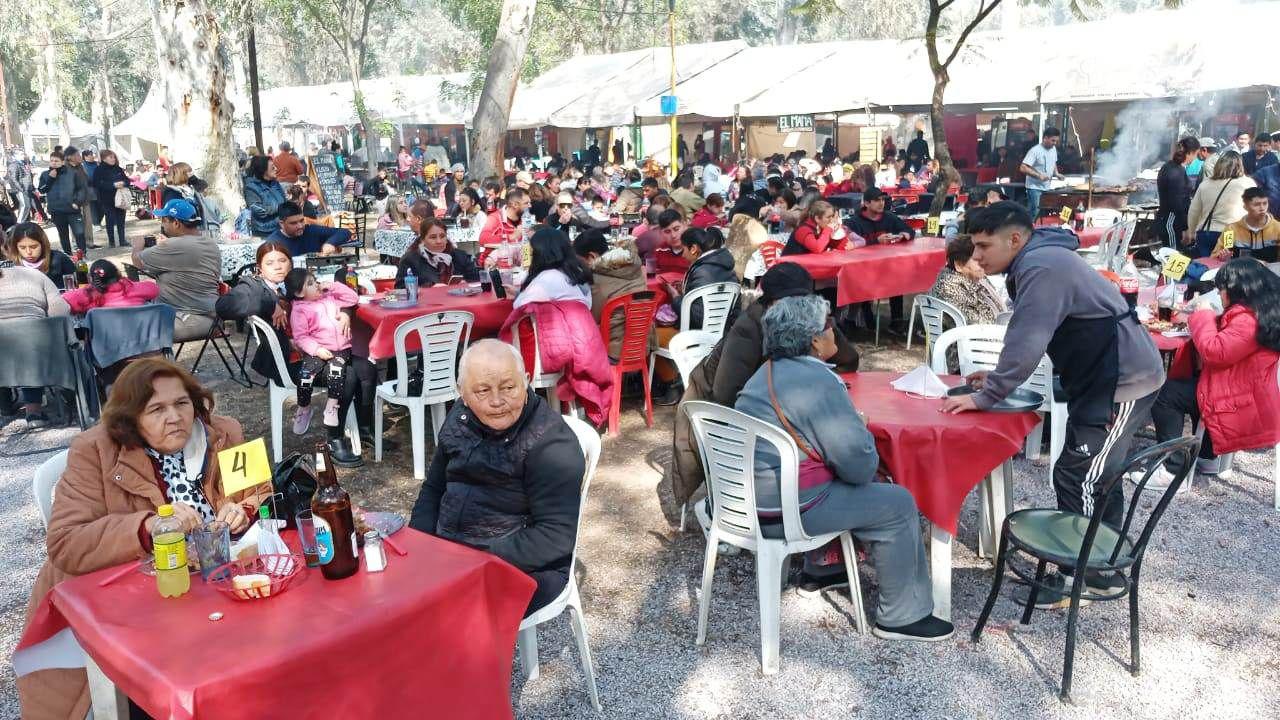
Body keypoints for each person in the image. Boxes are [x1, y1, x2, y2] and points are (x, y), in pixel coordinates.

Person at [17, 358, 271, 718]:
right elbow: (65, 542)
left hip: (216, 594)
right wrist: (148, 527)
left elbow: (261, 495)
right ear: (131, 417)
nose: (174, 417)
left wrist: (242, 511)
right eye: (156, 409)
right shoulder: (94, 451)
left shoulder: (223, 432)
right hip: (137, 612)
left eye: (182, 404)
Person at [941, 202, 1165, 607]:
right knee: (1095, 473)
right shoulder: (1039, 257)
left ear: (1014, 239)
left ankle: (1085, 576)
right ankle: (1102, 566)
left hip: (1121, 382)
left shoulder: (1041, 267)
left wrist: (986, 396)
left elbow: (1026, 339)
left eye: (982, 246)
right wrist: (997, 378)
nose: (976, 256)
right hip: (1100, 378)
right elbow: (1040, 337)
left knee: (1078, 475)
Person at [731, 294, 951, 640]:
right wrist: (859, 428)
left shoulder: (766, 372)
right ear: (815, 340)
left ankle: (822, 568)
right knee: (897, 502)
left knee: (832, 478)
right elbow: (859, 467)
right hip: (786, 509)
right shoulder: (817, 381)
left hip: (744, 501)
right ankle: (901, 616)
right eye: (830, 325)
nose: (835, 331)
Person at [409, 340, 583, 617]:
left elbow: (555, 537)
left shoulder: (551, 444)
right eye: (482, 391)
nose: (497, 401)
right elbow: (434, 488)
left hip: (523, 568)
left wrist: (473, 560)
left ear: (526, 381)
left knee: (435, 618)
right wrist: (418, 544)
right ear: (462, 393)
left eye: (509, 387)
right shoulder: (460, 417)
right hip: (452, 553)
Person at [1143, 258, 1280, 487]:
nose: (1219, 294)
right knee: (1194, 384)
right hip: (1247, 392)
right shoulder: (1264, 311)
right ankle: (1208, 455)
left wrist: (1203, 315)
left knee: (1167, 395)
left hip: (1238, 401)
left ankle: (1170, 469)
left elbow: (1214, 351)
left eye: (1221, 289)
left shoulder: (1248, 320)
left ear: (1238, 289)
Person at [284, 268, 366, 466]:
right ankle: (304, 408)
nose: (317, 285)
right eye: (311, 284)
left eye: (316, 281)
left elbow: (352, 298)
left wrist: (335, 285)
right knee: (307, 375)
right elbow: (301, 337)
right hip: (315, 352)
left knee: (344, 373)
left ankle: (333, 411)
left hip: (339, 350)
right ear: (299, 292)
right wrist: (317, 349)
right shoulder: (299, 309)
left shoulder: (330, 297)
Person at [130, 199, 221, 342]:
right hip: (209, 315)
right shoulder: (210, 243)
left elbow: (138, 261)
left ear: (176, 223)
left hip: (190, 317)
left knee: (131, 330)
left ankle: (159, 364)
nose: (162, 225)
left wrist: (137, 245)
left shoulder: (174, 245)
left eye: (164, 220)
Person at [0, 257, 71, 426]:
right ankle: (34, 412)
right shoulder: (34, 276)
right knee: (30, 342)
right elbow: (60, 312)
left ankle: (5, 406)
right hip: (37, 354)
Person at [573, 229, 649, 360]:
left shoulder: (597, 281)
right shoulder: (633, 266)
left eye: (580, 262)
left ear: (591, 257)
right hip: (642, 346)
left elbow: (591, 319)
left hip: (612, 352)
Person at [848, 187, 915, 332]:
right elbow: (850, 246)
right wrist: (876, 241)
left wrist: (902, 236)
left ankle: (896, 320)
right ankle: (865, 318)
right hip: (862, 268)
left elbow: (910, 231)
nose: (881, 203)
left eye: (883, 200)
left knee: (897, 276)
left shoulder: (889, 217)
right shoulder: (854, 222)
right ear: (866, 203)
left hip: (887, 266)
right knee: (864, 282)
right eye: (877, 200)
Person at [1186, 150, 1255, 257]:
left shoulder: (1205, 184)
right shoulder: (1247, 183)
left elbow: (1194, 211)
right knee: (1226, 266)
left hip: (1206, 233)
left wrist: (1191, 232)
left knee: (1205, 266)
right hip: (1230, 233)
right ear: (1240, 165)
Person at [927, 234, 1006, 324]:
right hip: (966, 336)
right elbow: (974, 324)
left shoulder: (978, 279)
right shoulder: (948, 288)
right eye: (977, 260)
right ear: (959, 265)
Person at [394, 217, 479, 288]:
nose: (439, 241)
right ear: (423, 240)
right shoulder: (410, 260)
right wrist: (429, 288)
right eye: (433, 237)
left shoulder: (459, 256)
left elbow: (476, 280)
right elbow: (400, 288)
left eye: (442, 236)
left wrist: (465, 284)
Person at [38, 150, 89, 255]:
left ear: (62, 162)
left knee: (79, 233)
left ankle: (82, 254)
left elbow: (82, 189)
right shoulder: (45, 174)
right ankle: (68, 255)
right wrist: (50, 179)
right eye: (51, 161)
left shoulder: (72, 173)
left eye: (56, 161)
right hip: (56, 210)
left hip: (72, 209)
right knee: (63, 234)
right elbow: (42, 190)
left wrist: (77, 202)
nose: (54, 163)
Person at [64, 259, 159, 313]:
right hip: (141, 343)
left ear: (92, 278)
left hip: (106, 346)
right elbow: (154, 288)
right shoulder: (132, 288)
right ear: (117, 272)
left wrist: (88, 289)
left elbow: (64, 300)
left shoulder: (88, 296)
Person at [1154, 137, 1200, 249]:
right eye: (1196, 154)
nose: (1195, 158)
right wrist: (1185, 228)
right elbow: (1177, 202)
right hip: (1171, 221)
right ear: (1191, 153)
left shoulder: (1172, 168)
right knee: (1172, 255)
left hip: (1171, 220)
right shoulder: (1175, 171)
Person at [1212, 187, 1280, 262]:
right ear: (1245, 206)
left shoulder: (1277, 228)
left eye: (1265, 203)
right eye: (1256, 204)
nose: (1262, 208)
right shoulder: (1231, 230)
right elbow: (1215, 256)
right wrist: (1222, 257)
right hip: (1240, 271)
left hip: (1270, 272)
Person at [3, 222, 77, 290]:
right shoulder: (10, 266)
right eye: (22, 248)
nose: (28, 252)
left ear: (43, 244)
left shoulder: (60, 259)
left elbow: (76, 287)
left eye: (34, 247)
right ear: (16, 247)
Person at [267, 202, 352, 256]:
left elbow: (345, 232)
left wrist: (330, 243)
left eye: (301, 221)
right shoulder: (273, 242)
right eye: (293, 223)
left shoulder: (311, 230)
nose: (300, 226)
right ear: (282, 224)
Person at [782, 200, 857, 255]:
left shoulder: (822, 228)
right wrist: (828, 230)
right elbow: (817, 248)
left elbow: (843, 247)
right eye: (828, 217)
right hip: (789, 270)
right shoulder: (803, 230)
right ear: (817, 219)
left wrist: (838, 231)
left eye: (832, 217)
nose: (831, 220)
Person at [91, 149, 129, 248]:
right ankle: (111, 241)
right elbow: (96, 183)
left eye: (114, 157)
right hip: (106, 199)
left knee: (121, 219)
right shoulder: (99, 170)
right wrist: (112, 185)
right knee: (110, 220)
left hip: (120, 198)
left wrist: (123, 183)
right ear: (104, 159)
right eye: (110, 157)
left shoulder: (118, 169)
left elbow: (127, 180)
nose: (113, 159)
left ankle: (122, 240)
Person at [1019, 127, 1060, 218]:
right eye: (1053, 140)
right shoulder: (1035, 151)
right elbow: (1023, 168)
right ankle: (1027, 229)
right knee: (1034, 212)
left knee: (1044, 213)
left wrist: (1056, 173)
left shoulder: (1053, 149)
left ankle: (1038, 230)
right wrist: (1038, 175)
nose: (1055, 143)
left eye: (1056, 141)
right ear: (1045, 138)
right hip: (1034, 188)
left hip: (1047, 187)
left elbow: (1053, 162)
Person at [243, 155, 286, 237]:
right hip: (264, 233)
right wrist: (280, 207)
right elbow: (259, 210)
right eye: (272, 168)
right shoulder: (251, 187)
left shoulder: (275, 183)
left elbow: (284, 200)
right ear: (263, 171)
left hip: (280, 228)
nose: (276, 169)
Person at [6, 148, 33, 224]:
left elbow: (26, 176)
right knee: (24, 206)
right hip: (21, 189)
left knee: (27, 206)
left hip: (26, 188)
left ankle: (25, 223)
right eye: (21, 154)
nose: (23, 156)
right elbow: (14, 179)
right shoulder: (14, 165)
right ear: (15, 155)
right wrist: (22, 189)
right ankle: (19, 224)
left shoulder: (22, 163)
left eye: (23, 154)